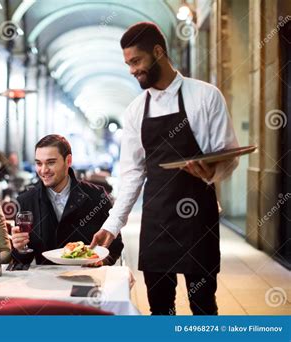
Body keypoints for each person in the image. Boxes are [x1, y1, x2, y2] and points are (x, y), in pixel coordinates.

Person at [91, 22, 239, 315]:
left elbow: (229, 155)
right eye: (128, 64)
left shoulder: (206, 96)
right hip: (157, 220)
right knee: (160, 308)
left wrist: (211, 173)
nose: (132, 70)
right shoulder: (135, 110)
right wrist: (112, 225)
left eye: (136, 61)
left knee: (203, 305)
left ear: (158, 52)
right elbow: (133, 173)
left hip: (199, 217)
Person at [11, 134, 124, 266]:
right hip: (45, 281)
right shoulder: (26, 201)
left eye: (51, 162)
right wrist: (19, 249)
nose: (43, 170)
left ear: (68, 161)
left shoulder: (97, 197)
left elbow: (115, 245)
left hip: (87, 278)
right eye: (38, 163)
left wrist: (103, 260)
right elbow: (22, 261)